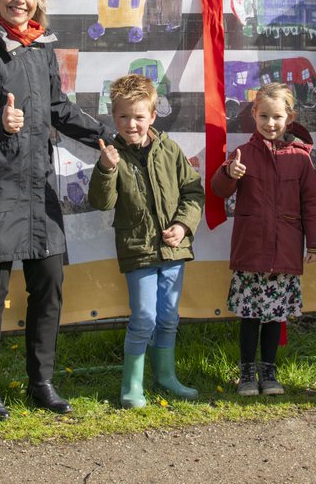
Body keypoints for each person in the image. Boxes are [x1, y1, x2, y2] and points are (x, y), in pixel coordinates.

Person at [0, 0, 111, 420]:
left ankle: (41, 381)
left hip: (38, 187)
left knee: (50, 283)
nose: (20, 0)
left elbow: (58, 108)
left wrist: (105, 134)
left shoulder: (41, 47)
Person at [87, 74, 205, 409]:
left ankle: (165, 377)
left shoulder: (169, 149)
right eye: (123, 117)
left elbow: (193, 192)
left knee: (168, 317)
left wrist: (182, 226)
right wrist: (106, 169)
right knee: (144, 318)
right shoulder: (112, 155)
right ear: (114, 117)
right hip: (137, 252)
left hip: (173, 251)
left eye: (139, 116)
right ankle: (131, 386)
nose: (131, 124)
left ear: (152, 116)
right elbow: (102, 202)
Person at [211, 83, 316, 397]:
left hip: (284, 254)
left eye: (277, 116)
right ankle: (247, 374)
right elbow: (219, 191)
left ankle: (270, 372)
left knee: (275, 317)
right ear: (254, 114)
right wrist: (228, 173)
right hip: (251, 251)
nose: (270, 123)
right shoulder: (242, 154)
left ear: (290, 117)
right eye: (264, 116)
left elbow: (312, 203)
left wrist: (315, 242)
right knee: (250, 316)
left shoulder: (301, 158)